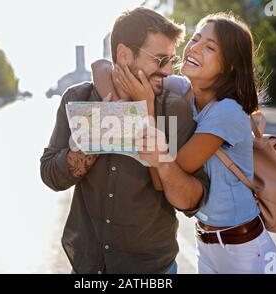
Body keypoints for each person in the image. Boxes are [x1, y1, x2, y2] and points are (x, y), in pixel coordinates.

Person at [93, 12, 276, 274]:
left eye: (210, 47)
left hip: (245, 250)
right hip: (206, 245)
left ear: (229, 65)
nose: (194, 48)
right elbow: (103, 67)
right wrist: (114, 100)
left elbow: (165, 176)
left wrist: (145, 105)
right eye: (195, 39)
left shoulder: (226, 112)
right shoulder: (185, 90)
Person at [40, 7, 209, 274]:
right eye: (160, 59)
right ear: (123, 54)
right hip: (87, 268)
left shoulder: (174, 109)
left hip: (153, 271)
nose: (167, 71)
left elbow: (191, 202)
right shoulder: (78, 99)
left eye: (171, 61)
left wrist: (163, 161)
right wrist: (98, 131)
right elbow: (51, 176)